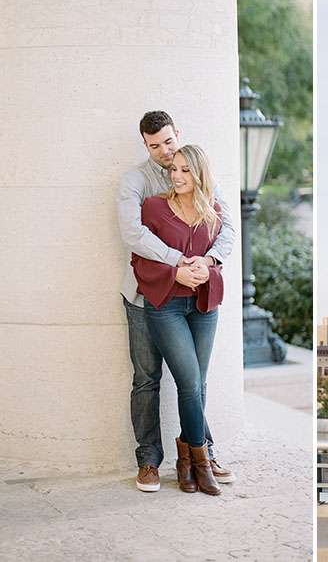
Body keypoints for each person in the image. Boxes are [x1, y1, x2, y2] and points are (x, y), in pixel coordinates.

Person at [117, 111, 235, 493]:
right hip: (144, 295)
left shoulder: (199, 176)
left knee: (193, 379)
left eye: (169, 142)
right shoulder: (137, 183)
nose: (166, 154)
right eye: (156, 146)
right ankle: (150, 459)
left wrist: (208, 261)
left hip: (194, 294)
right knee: (148, 378)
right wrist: (178, 264)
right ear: (146, 145)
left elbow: (227, 227)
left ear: (177, 135)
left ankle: (200, 454)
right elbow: (134, 235)